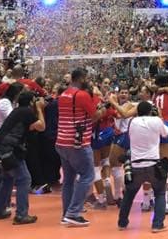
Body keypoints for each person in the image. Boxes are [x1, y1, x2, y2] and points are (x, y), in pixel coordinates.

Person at [55, 68, 105, 227]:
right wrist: (103, 107)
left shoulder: (63, 94)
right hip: (77, 143)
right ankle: (73, 212)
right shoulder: (82, 95)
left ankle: (66, 213)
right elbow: (95, 116)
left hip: (61, 141)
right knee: (87, 176)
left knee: (68, 180)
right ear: (81, 78)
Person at [0, 90, 46, 225]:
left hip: (0, 148)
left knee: (7, 178)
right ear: (31, 102)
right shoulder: (26, 112)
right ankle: (21, 214)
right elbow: (42, 126)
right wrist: (39, 108)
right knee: (24, 179)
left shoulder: (18, 112)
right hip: (9, 150)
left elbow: (31, 127)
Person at [117, 100, 168, 233]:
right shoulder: (156, 120)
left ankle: (122, 222)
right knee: (160, 193)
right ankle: (157, 224)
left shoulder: (132, 122)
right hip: (153, 164)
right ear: (150, 111)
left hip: (136, 165)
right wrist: (160, 117)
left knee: (129, 194)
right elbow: (166, 133)